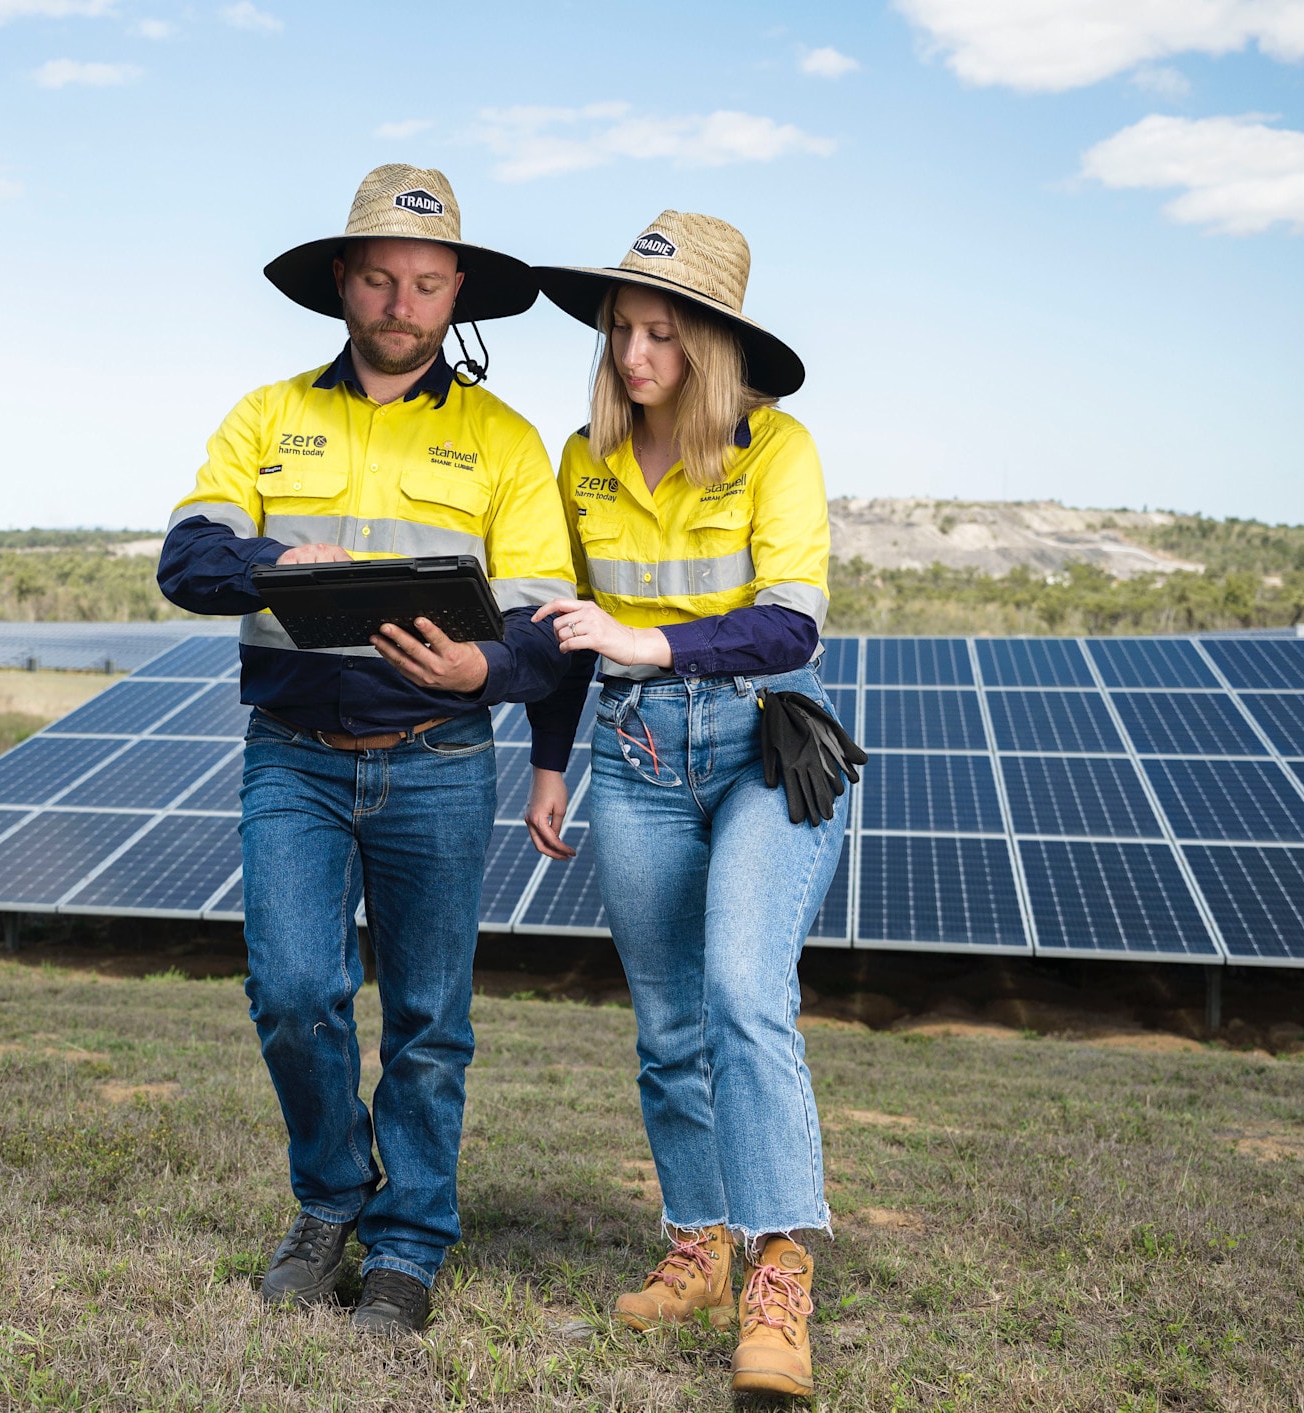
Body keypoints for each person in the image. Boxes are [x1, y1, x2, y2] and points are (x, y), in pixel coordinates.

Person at [155, 164, 575, 1335]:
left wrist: (481, 673)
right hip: (290, 754)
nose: (402, 303)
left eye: (427, 284)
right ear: (344, 283)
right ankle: (331, 1196)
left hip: (438, 758)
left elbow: (544, 624)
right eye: (381, 278)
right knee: (294, 993)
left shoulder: (503, 442)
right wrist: (268, 568)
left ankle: (408, 1246)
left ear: (457, 298)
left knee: (430, 1022)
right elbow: (186, 560)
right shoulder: (264, 416)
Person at [521, 210, 862, 1398]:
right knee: (665, 1024)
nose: (632, 356)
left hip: (766, 747)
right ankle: (696, 1247)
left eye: (660, 334)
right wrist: (552, 764)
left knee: (738, 994)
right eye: (621, 330)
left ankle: (779, 1275)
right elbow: (568, 637)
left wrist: (645, 641)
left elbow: (792, 621)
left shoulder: (780, 449)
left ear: (713, 343)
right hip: (629, 754)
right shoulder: (584, 459)